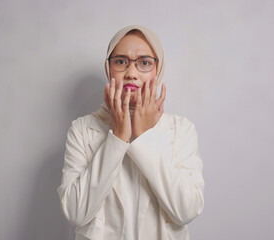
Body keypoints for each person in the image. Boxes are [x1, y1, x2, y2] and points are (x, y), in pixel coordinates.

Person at [57, 25, 205, 240]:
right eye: (121, 61)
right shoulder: (82, 129)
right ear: (109, 69)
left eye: (144, 63)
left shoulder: (181, 130)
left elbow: (186, 210)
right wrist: (118, 137)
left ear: (158, 69)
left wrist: (145, 136)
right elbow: (76, 213)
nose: (131, 73)